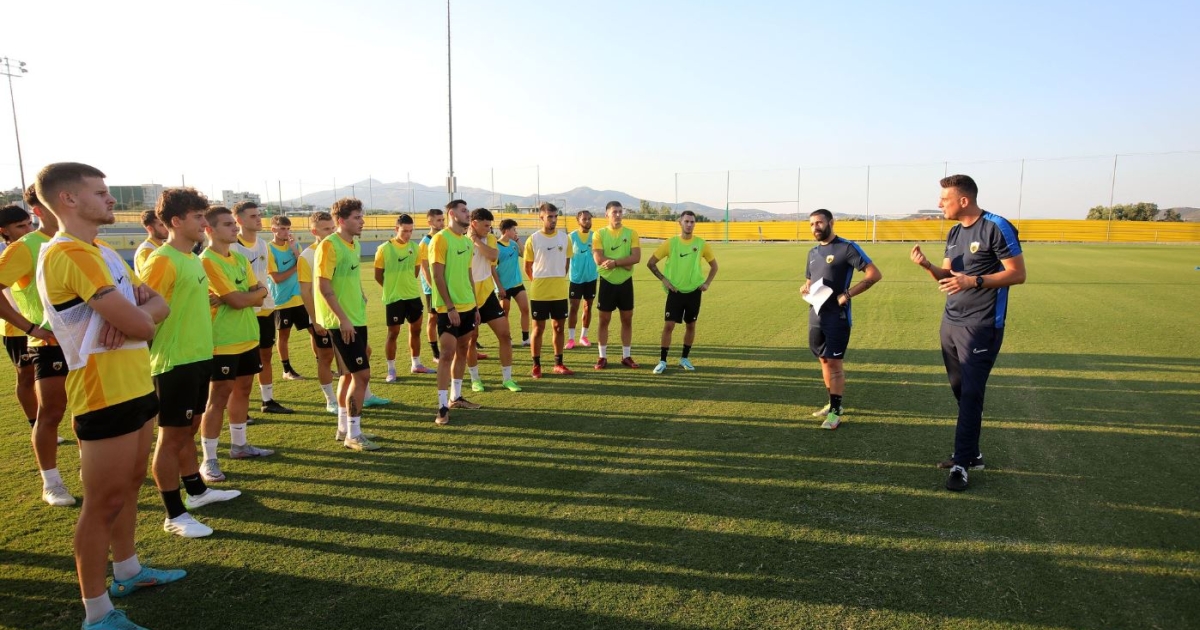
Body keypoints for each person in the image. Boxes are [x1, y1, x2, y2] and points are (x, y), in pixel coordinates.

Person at [35, 162, 185, 630]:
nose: (111, 198)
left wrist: (136, 318)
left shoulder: (102, 251)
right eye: (100, 192)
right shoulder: (69, 253)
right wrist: (134, 319)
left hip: (135, 382)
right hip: (103, 392)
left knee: (129, 486)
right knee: (102, 502)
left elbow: (157, 305)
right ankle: (97, 613)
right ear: (68, 199)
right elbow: (145, 321)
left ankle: (128, 571)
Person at [910, 174, 1025, 492]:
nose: (939, 204)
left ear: (964, 200)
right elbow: (948, 276)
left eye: (943, 199)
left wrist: (973, 281)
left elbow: (1018, 274)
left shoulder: (996, 226)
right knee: (962, 392)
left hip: (981, 325)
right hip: (951, 322)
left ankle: (961, 463)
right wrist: (927, 266)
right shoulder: (954, 232)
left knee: (972, 394)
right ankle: (972, 453)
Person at [140, 188, 241, 538]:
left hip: (199, 357)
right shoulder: (162, 260)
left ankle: (196, 492)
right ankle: (174, 514)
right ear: (176, 221)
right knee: (171, 437)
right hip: (175, 362)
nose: (203, 222)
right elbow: (144, 313)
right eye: (197, 217)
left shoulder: (191, 258)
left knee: (187, 431)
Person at [0, 185, 74, 506]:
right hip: (49, 343)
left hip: (87, 342)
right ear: (41, 208)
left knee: (88, 409)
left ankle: (90, 467)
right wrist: (30, 327)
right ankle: (52, 483)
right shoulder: (25, 247)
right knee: (51, 413)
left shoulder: (82, 242)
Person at [199, 205, 276, 484]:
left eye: (234, 223)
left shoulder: (240, 258)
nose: (234, 228)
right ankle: (209, 459)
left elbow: (261, 290)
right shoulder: (207, 261)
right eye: (227, 224)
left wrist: (244, 295)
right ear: (210, 230)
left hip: (247, 335)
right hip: (221, 340)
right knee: (218, 398)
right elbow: (238, 300)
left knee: (243, 390)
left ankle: (239, 445)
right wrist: (242, 296)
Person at [799, 209, 883, 430]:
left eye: (819, 223)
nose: (815, 227)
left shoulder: (847, 248)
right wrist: (805, 287)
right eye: (811, 224)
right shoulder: (812, 252)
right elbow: (810, 280)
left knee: (835, 363)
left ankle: (835, 412)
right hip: (816, 314)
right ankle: (832, 403)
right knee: (824, 360)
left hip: (837, 317)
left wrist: (847, 294)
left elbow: (874, 274)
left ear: (831, 222)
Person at [315, 198, 382, 450]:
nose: (362, 221)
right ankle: (353, 435)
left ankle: (344, 428)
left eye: (361, 216)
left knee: (348, 377)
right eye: (357, 217)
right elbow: (323, 286)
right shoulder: (329, 246)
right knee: (362, 376)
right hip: (341, 322)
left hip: (356, 318)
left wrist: (360, 295)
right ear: (341, 220)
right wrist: (343, 319)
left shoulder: (353, 244)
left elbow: (347, 278)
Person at [230, 201, 292, 415]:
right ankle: (240, 409)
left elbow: (265, 275)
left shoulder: (263, 245)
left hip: (265, 308)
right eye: (253, 216)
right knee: (240, 361)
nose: (258, 219)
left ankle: (268, 400)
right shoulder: (232, 246)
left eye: (259, 215)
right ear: (239, 220)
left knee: (265, 355)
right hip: (243, 310)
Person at [645, 211, 720, 375]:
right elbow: (650, 263)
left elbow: (715, 266)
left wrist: (707, 283)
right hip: (675, 292)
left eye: (692, 222)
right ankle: (662, 361)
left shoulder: (701, 244)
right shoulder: (670, 243)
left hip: (694, 291)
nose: (689, 224)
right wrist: (664, 280)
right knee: (669, 325)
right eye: (686, 221)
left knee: (691, 325)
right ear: (680, 222)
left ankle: (684, 358)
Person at [430, 200, 480, 424]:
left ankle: (456, 397)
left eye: (468, 210)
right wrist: (450, 307)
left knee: (462, 350)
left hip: (469, 306)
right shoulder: (441, 239)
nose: (468, 213)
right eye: (463, 210)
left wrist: (475, 305)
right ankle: (442, 407)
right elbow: (437, 276)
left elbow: (469, 276)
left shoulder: (468, 242)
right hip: (448, 309)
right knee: (446, 354)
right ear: (452, 213)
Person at [465, 208, 521, 393]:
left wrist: (476, 240)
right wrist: (472, 240)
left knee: (505, 334)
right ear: (474, 223)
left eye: (490, 226)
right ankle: (475, 379)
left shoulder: (489, 239)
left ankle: (507, 379)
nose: (489, 229)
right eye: (485, 225)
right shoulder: (462, 241)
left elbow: (492, 256)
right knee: (472, 339)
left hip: (487, 293)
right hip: (468, 295)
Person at [374, 214, 433, 383]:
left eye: (410, 231)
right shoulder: (384, 249)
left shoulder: (415, 247)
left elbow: (415, 272)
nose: (408, 234)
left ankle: (416, 364)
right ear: (396, 229)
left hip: (413, 296)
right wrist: (391, 288)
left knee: (416, 330)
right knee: (393, 333)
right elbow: (378, 275)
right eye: (404, 231)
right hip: (394, 299)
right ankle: (391, 369)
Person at [0, 204, 38, 451]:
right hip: (16, 328)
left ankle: (47, 421)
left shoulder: (35, 246)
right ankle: (35, 424)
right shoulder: (8, 254)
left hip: (39, 323)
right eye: (20, 226)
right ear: (4, 230)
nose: (27, 230)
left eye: (29, 224)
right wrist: (25, 325)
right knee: (26, 376)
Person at [523, 202, 575, 378]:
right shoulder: (533, 239)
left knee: (559, 327)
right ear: (541, 217)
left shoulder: (565, 238)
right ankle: (536, 365)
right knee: (538, 329)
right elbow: (527, 267)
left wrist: (557, 277)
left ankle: (558, 364)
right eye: (550, 217)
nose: (553, 220)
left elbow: (566, 263)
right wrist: (539, 281)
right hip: (540, 291)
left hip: (559, 290)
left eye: (555, 216)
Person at [591, 201, 641, 369]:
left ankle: (626, 356)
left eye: (620, 211)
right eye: (614, 212)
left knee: (627, 319)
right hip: (607, 282)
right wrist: (624, 262)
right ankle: (602, 357)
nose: (618, 215)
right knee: (604, 320)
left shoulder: (631, 233)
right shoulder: (599, 234)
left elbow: (636, 257)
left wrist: (616, 263)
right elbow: (598, 259)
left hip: (625, 283)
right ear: (607, 214)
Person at [299, 211, 339, 413]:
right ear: (314, 231)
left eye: (333, 228)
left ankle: (365, 395)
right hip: (322, 316)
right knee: (326, 356)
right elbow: (305, 291)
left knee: (362, 351)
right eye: (326, 229)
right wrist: (315, 320)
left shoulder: (339, 247)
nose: (331, 232)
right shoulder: (307, 256)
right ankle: (330, 400)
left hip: (344, 312)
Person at [267, 215, 307, 381]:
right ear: (273, 229)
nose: (286, 232)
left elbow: (304, 266)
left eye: (288, 228)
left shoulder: (294, 245)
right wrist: (295, 267)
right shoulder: (268, 249)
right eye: (282, 228)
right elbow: (277, 278)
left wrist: (295, 250)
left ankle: (324, 365)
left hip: (300, 298)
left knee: (316, 331)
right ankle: (286, 370)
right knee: (284, 336)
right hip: (282, 301)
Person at [566, 210, 597, 349]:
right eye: (584, 219)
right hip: (576, 279)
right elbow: (566, 258)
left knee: (588, 307)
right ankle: (571, 339)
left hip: (591, 278)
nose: (588, 221)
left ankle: (583, 336)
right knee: (574, 307)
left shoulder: (595, 237)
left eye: (589, 219)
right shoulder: (571, 237)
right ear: (578, 221)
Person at [418, 208, 445, 361]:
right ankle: (436, 353)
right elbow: (424, 268)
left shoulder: (443, 238)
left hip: (445, 285)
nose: (442, 223)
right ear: (430, 222)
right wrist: (433, 287)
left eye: (443, 220)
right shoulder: (425, 242)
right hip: (432, 288)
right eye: (438, 220)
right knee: (433, 318)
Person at [132, 208, 168, 277]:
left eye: (166, 223)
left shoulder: (161, 246)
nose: (167, 227)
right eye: (161, 225)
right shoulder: (146, 250)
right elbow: (149, 277)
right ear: (150, 229)